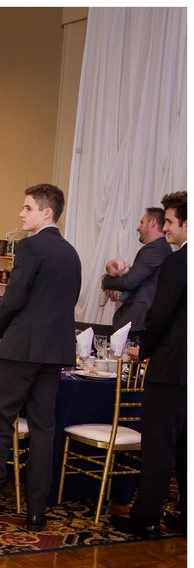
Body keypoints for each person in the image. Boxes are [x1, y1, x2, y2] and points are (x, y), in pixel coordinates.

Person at [0, 184, 81, 532]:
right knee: (44, 428)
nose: (21, 214)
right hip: (54, 351)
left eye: (27, 208)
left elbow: (15, 296)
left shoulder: (31, 247)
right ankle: (36, 511)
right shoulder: (71, 253)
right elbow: (66, 300)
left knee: (0, 421)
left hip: (23, 346)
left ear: (47, 212)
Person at [110, 191, 186, 539]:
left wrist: (145, 350)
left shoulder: (178, 262)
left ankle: (147, 517)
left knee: (158, 445)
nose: (166, 228)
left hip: (172, 366)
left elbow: (161, 315)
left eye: (170, 221)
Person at [100, 207, 172, 341]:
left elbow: (129, 282)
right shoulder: (160, 248)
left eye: (142, 222)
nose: (138, 228)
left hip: (139, 322)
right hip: (141, 321)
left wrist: (106, 280)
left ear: (153, 223)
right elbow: (143, 284)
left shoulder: (154, 249)